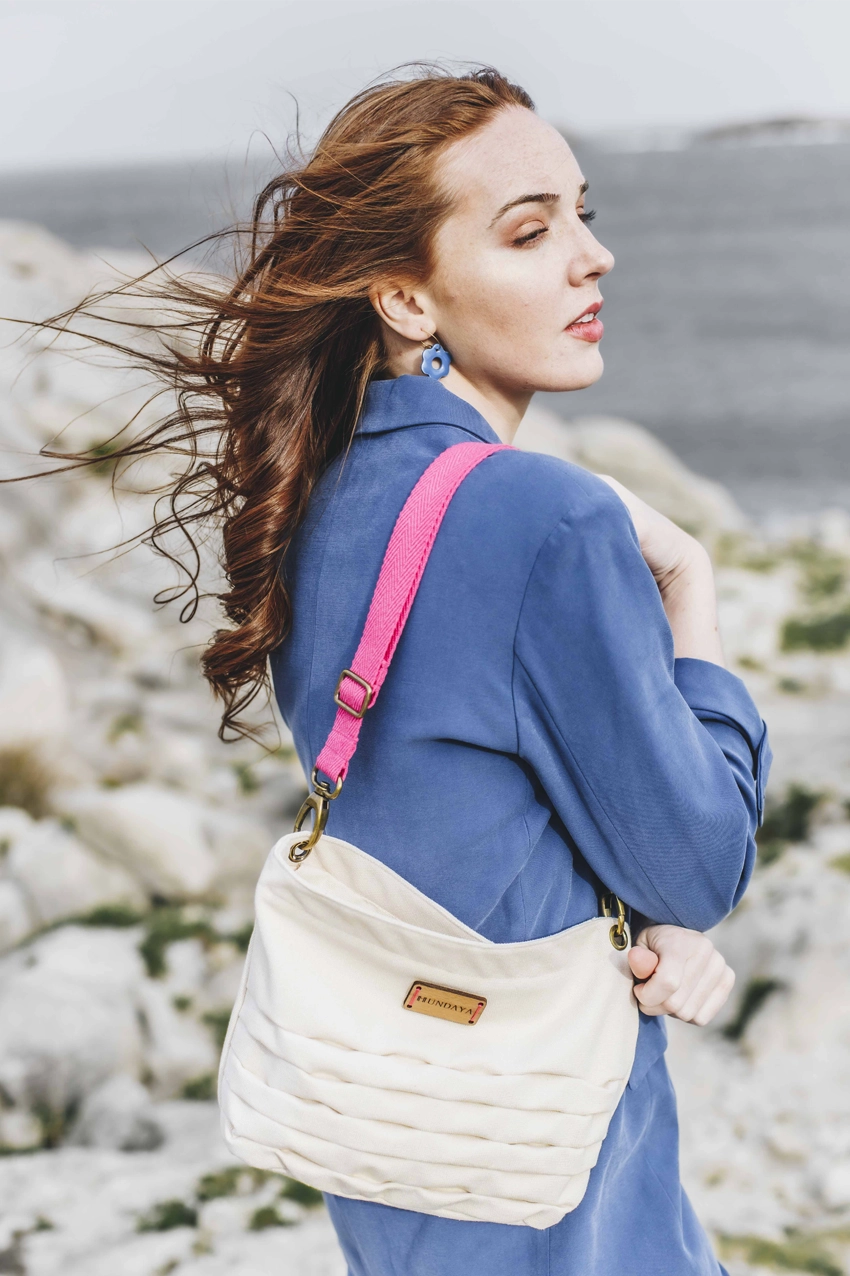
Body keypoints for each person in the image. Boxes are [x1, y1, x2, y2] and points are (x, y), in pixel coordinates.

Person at [48, 65, 769, 1276]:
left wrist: (633, 925)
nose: (593, 258)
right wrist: (690, 581)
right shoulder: (543, 519)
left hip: (389, 1125)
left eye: (584, 214)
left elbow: (458, 807)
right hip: (543, 1152)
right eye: (532, 231)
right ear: (406, 298)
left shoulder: (317, 497)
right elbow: (701, 857)